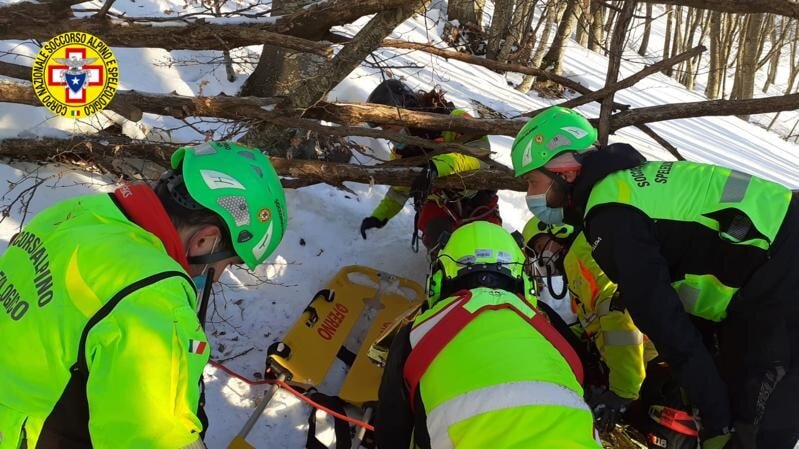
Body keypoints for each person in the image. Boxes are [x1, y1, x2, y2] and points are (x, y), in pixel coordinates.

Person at [511, 106, 799, 449]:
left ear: (565, 172)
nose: (531, 195)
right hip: (770, 268)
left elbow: (667, 325)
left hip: (779, 274)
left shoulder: (610, 215)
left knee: (752, 433)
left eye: (533, 181)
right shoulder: (628, 184)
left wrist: (717, 422)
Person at [0, 141, 288, 449]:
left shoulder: (79, 213)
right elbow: (156, 438)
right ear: (205, 241)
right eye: (227, 264)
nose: (217, 278)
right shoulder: (154, 300)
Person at [374, 220, 600, 449]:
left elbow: (391, 429)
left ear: (438, 279)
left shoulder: (417, 331)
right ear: (525, 280)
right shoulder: (543, 320)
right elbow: (583, 370)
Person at [522, 217, 656, 432]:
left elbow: (615, 312)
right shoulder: (574, 262)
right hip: (635, 363)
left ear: (558, 231)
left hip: (643, 366)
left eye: (540, 246)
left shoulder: (578, 255)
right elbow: (593, 320)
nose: (542, 255)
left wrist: (622, 392)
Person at [359, 79, 500, 251]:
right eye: (383, 129)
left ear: (405, 113)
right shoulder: (401, 152)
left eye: (389, 126)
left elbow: (480, 153)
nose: (387, 134)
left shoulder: (454, 119)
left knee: (490, 245)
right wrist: (379, 217)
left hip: (477, 199)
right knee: (438, 239)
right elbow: (399, 189)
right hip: (440, 207)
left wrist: (435, 167)